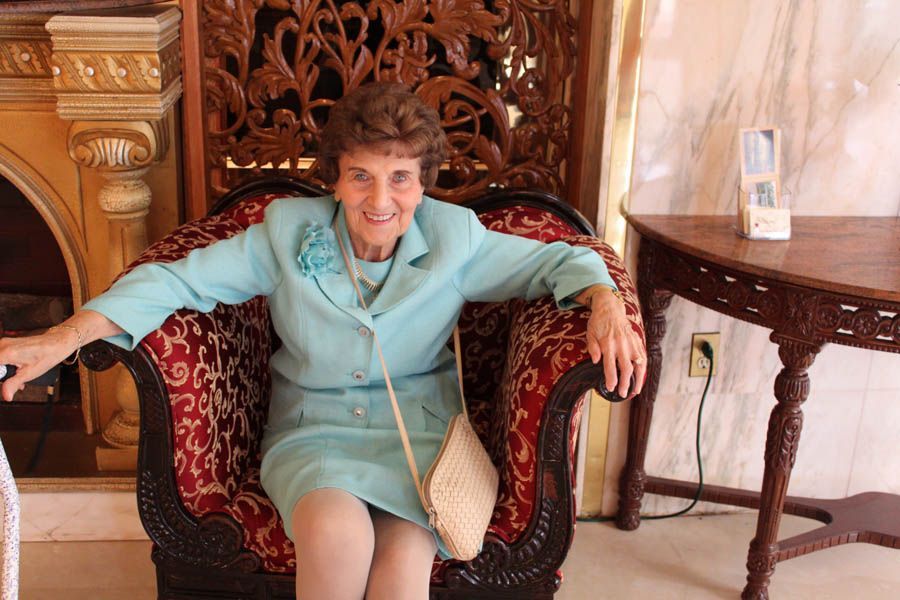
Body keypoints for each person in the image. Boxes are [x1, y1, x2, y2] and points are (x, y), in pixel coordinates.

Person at [0, 82, 646, 599]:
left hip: (418, 437)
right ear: (334, 179)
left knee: (401, 571)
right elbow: (174, 281)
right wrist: (60, 338)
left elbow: (562, 261)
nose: (381, 199)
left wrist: (606, 304)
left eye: (400, 178)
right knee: (338, 536)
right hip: (315, 432)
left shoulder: (457, 239)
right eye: (361, 176)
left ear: (423, 184)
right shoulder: (287, 232)